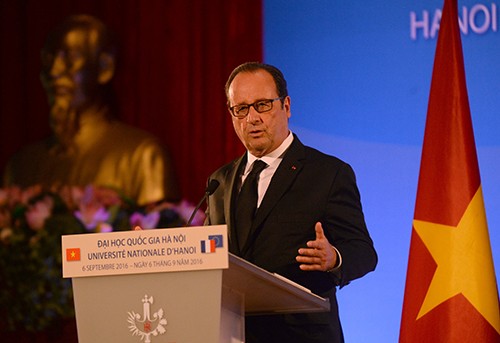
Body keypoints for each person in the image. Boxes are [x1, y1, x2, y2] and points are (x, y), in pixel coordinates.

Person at [204, 62, 377, 343]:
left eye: (262, 105)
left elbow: (364, 252)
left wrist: (333, 258)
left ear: (286, 106)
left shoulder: (328, 173)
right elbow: (211, 252)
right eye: (241, 109)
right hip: (235, 334)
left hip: (302, 334)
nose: (252, 118)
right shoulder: (219, 181)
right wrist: (169, 249)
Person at [3, 15, 179, 207]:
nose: (54, 70)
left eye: (70, 58)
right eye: (49, 58)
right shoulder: (22, 164)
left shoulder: (143, 156)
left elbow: (158, 230)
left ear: (104, 68)